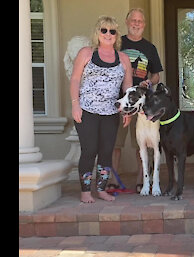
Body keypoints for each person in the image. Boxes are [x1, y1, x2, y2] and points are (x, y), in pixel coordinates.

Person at [69, 15, 133, 203]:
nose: (108, 34)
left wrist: (127, 110)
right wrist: (75, 105)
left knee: (106, 151)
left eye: (112, 31)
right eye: (104, 30)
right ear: (97, 33)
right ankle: (86, 191)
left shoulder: (123, 58)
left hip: (111, 113)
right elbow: (74, 79)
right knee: (89, 150)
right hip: (87, 111)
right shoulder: (86, 53)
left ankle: (102, 189)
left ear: (117, 35)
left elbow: (127, 87)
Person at [109, 8, 164, 193]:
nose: (136, 24)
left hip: (141, 104)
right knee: (115, 144)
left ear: (144, 24)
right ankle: (112, 180)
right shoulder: (117, 43)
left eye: (140, 21)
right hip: (118, 100)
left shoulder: (150, 48)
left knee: (139, 145)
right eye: (133, 20)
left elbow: (156, 75)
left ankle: (142, 180)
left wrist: (150, 81)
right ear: (127, 21)